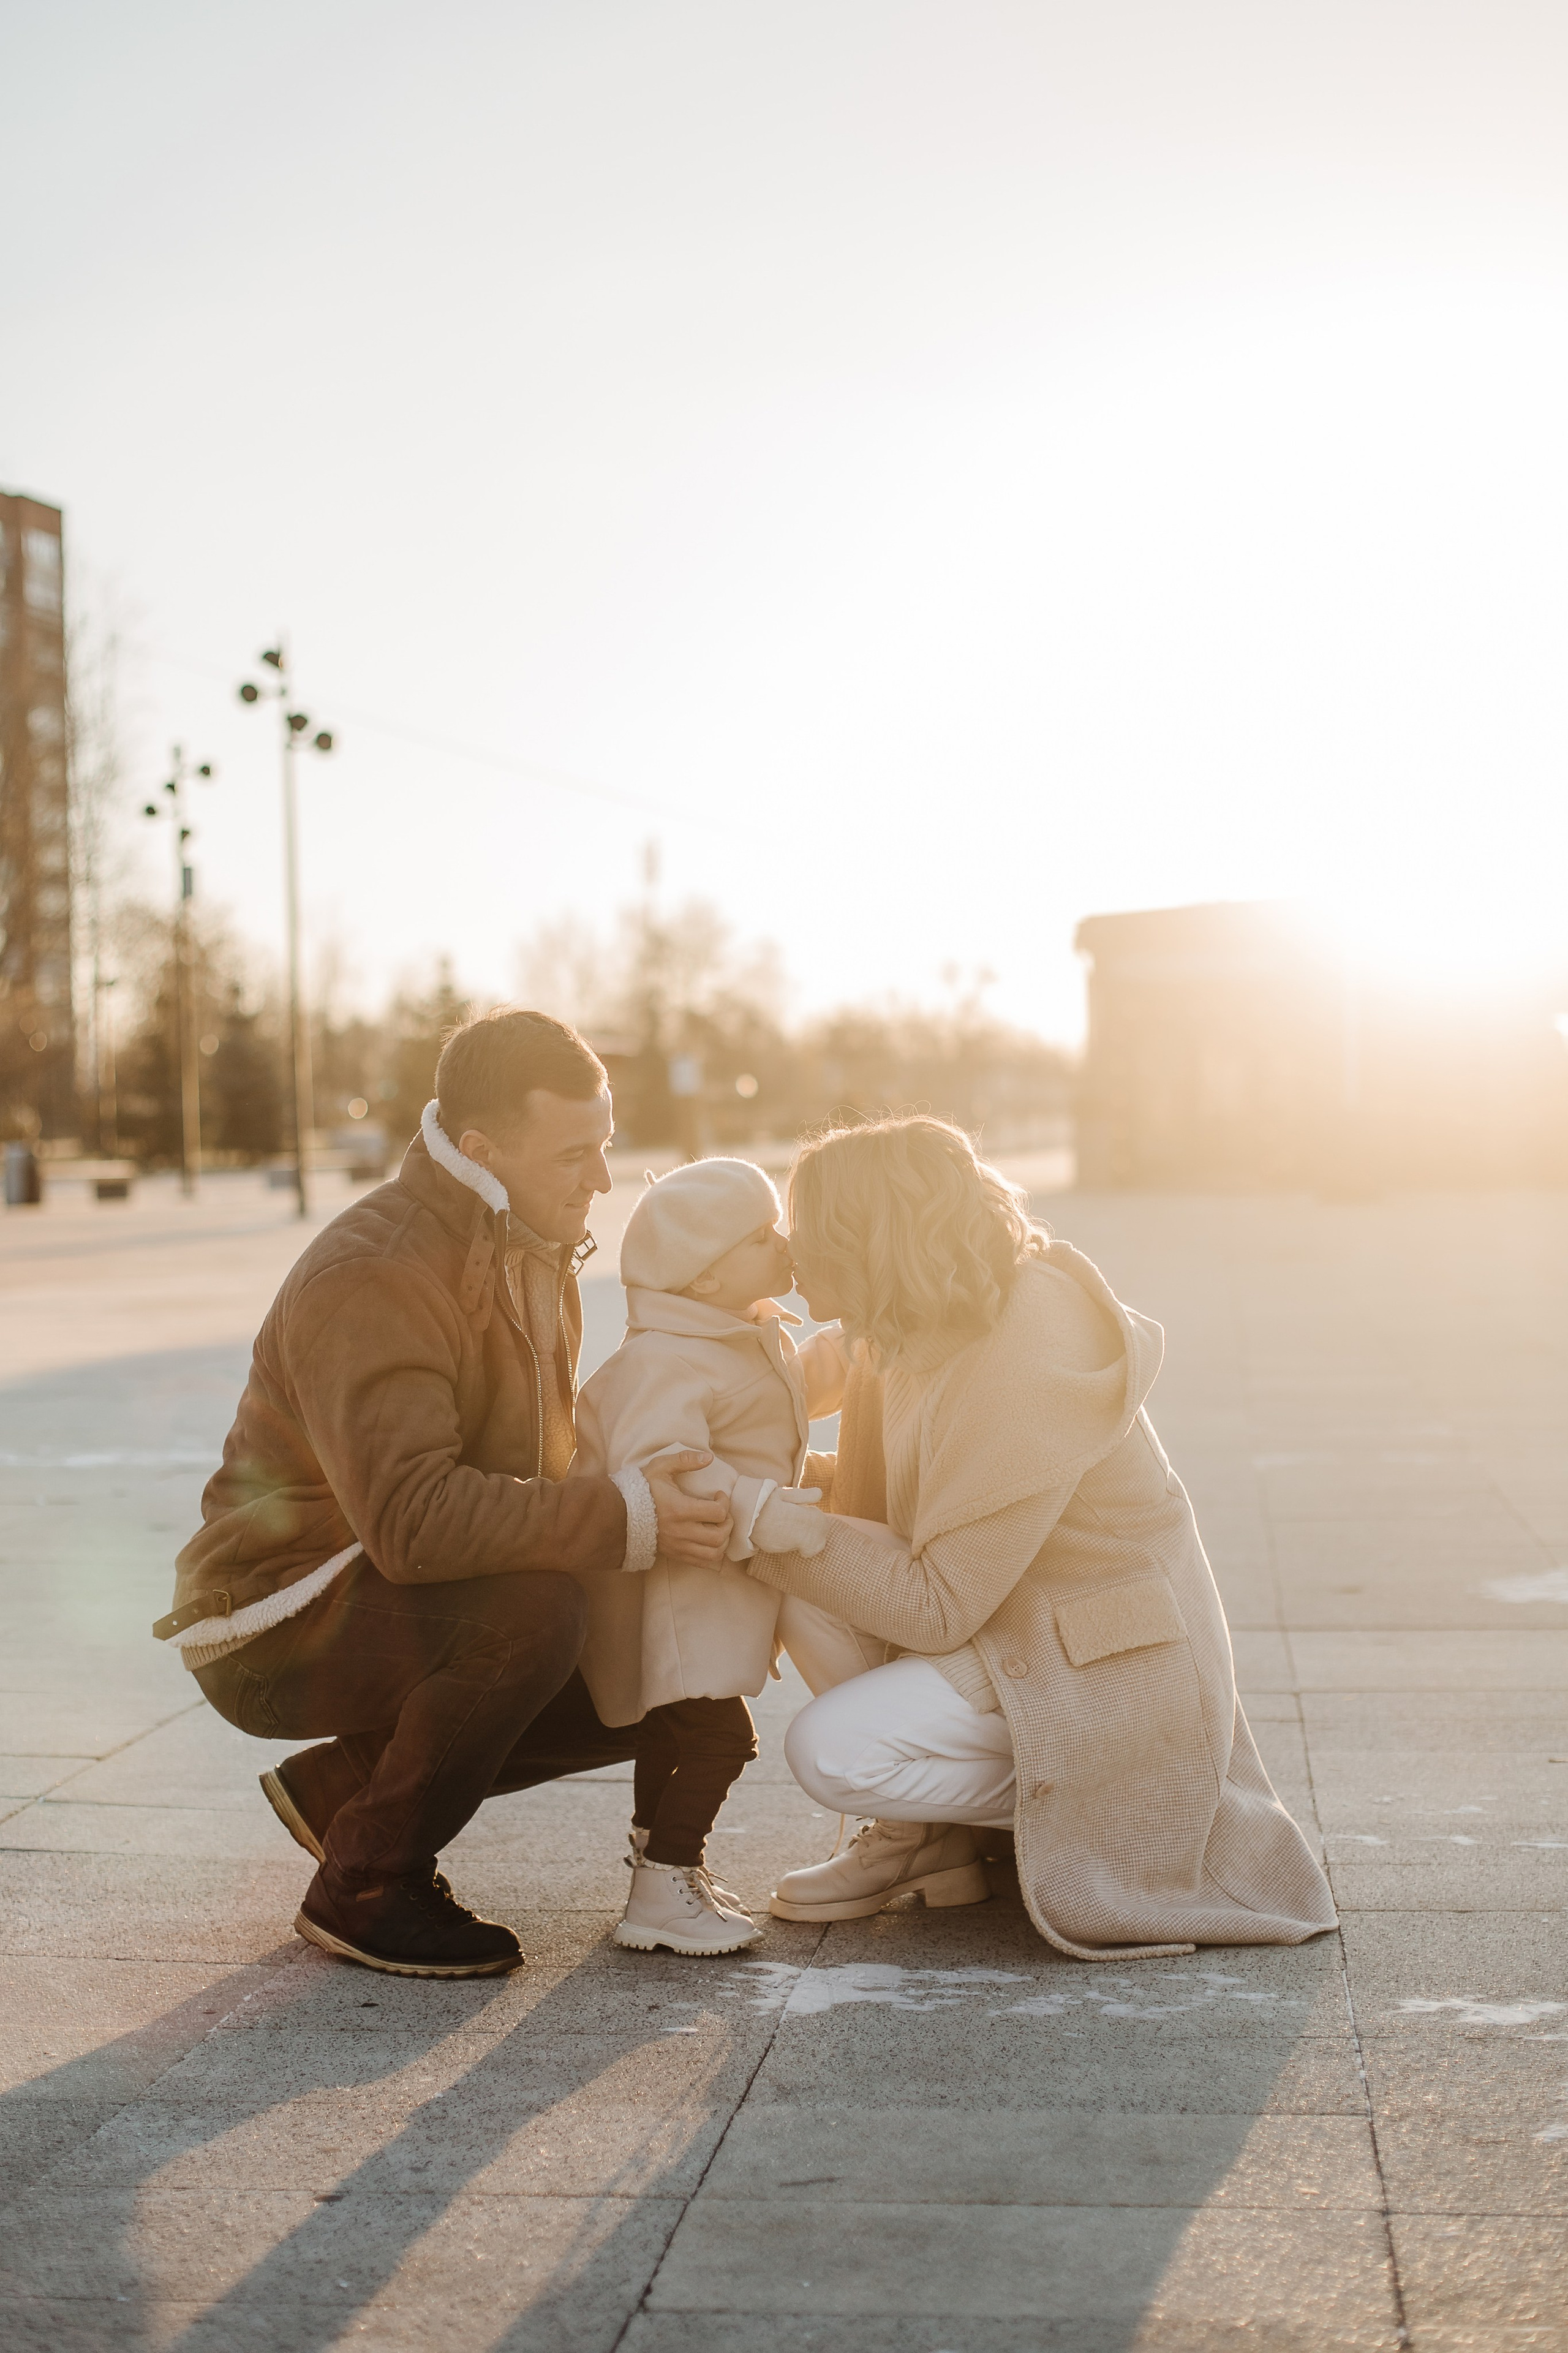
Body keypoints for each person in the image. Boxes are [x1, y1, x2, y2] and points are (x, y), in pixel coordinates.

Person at [155, 1008, 732, 1979]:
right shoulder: (380, 1269)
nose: (600, 1179)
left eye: (607, 1147)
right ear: (481, 1149)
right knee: (535, 1615)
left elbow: (533, 1482)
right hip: (271, 1616)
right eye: (573, 1153)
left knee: (645, 1662)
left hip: (370, 1581)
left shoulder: (527, 1239)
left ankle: (346, 1789)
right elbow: (416, 1524)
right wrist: (628, 1514)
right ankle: (368, 1883)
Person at [746, 1114, 1337, 1960]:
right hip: (1011, 1620)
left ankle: (1074, 1805)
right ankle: (929, 1836)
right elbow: (800, 1387)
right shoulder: (911, 1317)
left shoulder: (1026, 1343)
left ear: (866, 1237)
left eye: (805, 1229)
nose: (788, 1248)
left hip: (1106, 1665)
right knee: (794, 1571)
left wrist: (753, 1517)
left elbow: (937, 1603)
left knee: (832, 1747)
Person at [569, 1158, 853, 1955]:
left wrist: (858, 1342)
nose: (784, 1243)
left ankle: (659, 1869)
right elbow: (670, 1467)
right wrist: (761, 1507)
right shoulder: (665, 1359)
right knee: (720, 1736)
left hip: (714, 1587)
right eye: (761, 1236)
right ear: (701, 1276)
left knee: (674, 1733)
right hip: (680, 1596)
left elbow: (790, 1391)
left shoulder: (733, 1334)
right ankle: (665, 1876)